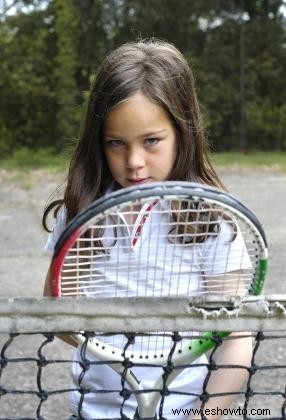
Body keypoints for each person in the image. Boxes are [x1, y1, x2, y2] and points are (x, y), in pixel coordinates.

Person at [43, 39, 252, 419]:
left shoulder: (213, 220)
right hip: (93, 410)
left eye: (151, 141)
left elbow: (235, 336)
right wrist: (115, 349)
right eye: (116, 143)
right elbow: (58, 314)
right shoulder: (81, 213)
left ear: (183, 133)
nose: (134, 161)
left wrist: (209, 414)